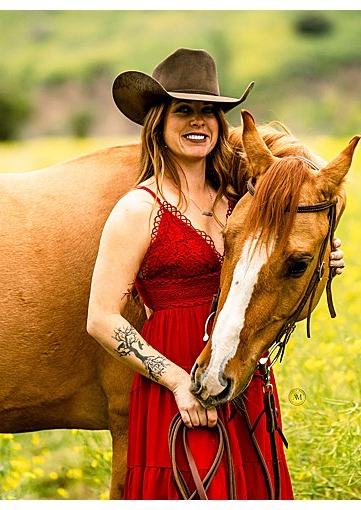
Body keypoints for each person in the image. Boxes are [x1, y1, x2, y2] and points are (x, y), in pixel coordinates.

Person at [86, 48, 344, 499]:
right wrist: (178, 382)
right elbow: (102, 319)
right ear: (158, 122)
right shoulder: (138, 208)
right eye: (184, 110)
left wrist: (324, 261)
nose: (198, 122)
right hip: (172, 378)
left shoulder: (241, 202)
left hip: (240, 367)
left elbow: (280, 262)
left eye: (209, 112)